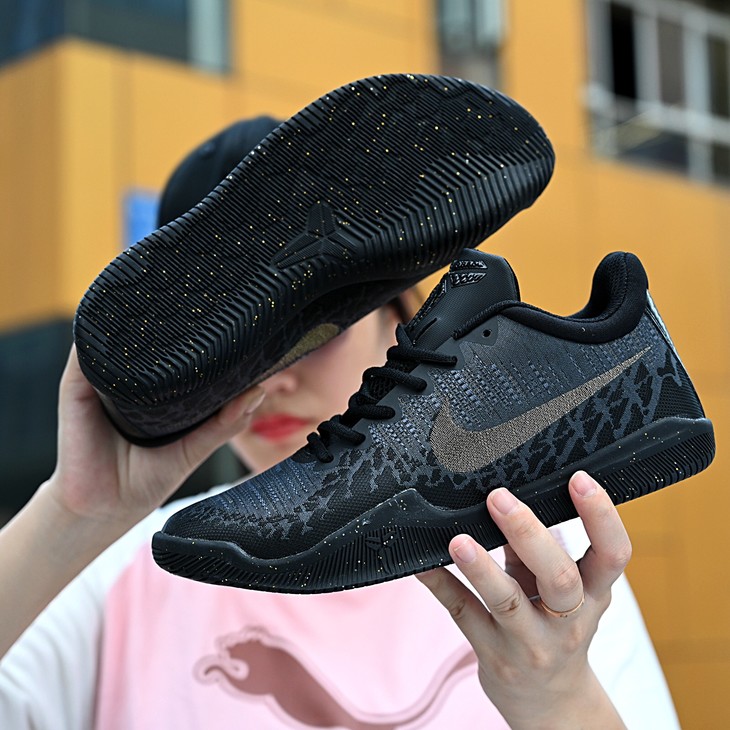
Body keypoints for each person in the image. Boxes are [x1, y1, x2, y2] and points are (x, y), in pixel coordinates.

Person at [0, 118, 680, 729]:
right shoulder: (125, 571)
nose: (272, 383)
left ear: (405, 321)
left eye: (315, 333)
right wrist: (74, 512)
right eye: (229, 356)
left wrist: (557, 700)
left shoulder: (537, 564)